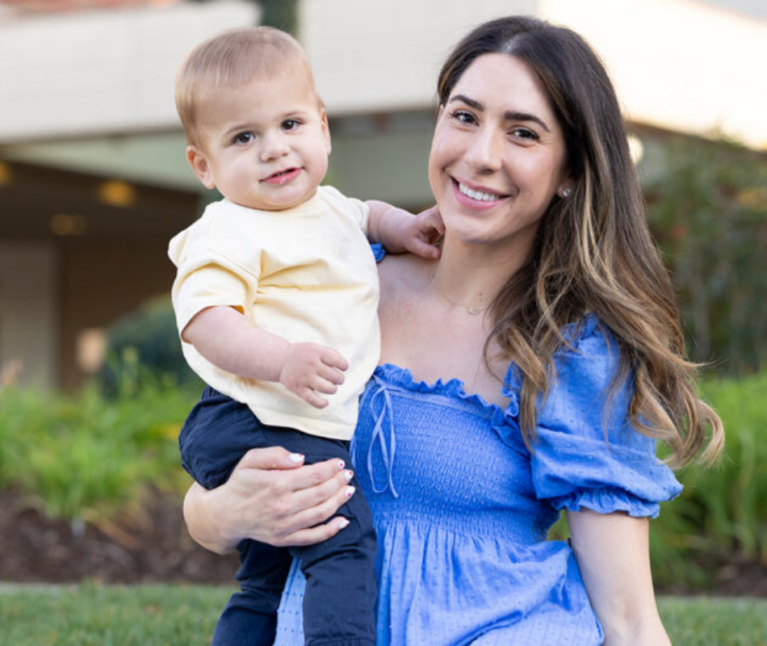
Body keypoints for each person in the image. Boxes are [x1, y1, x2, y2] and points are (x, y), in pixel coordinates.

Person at [182, 16, 724, 646]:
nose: (481, 155)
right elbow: (208, 496)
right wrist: (226, 513)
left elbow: (630, 619)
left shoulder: (574, 348)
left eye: (522, 133)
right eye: (464, 117)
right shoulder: (333, 290)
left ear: (570, 171)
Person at [168, 26, 443, 646]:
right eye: (244, 137)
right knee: (343, 544)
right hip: (251, 413)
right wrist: (282, 359)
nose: (274, 149)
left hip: (296, 419)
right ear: (203, 165)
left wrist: (404, 228)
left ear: (322, 127)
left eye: (290, 125)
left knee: (266, 579)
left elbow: (368, 214)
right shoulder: (227, 231)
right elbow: (205, 321)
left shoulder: (333, 209)